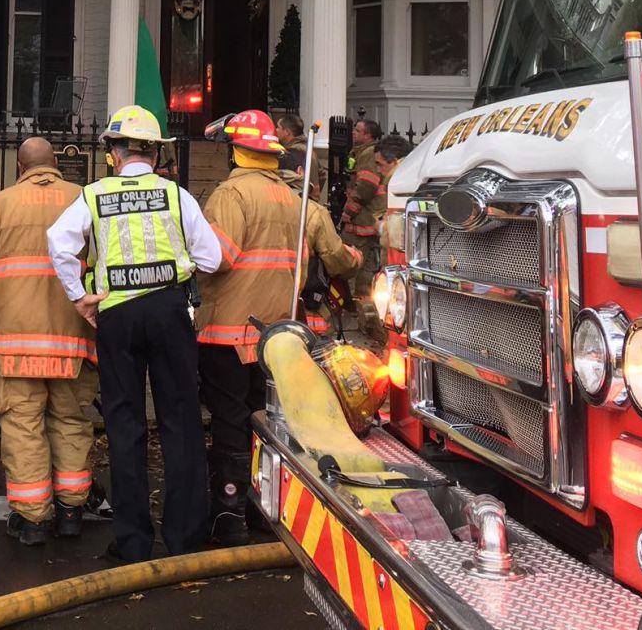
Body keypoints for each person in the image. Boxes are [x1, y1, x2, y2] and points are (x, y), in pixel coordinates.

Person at [47, 105, 223, 564]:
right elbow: (211, 259)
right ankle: (186, 539)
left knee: (125, 426)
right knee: (181, 423)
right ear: (155, 152)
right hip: (170, 312)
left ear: (113, 152)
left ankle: (131, 543)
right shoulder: (176, 194)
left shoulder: (94, 195)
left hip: (117, 316)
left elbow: (59, 242)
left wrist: (78, 296)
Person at [195, 110, 362, 545]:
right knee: (265, 419)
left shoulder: (230, 195)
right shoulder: (297, 202)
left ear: (236, 151)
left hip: (228, 332)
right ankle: (262, 508)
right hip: (278, 334)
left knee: (229, 421)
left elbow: (219, 258)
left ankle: (226, 514)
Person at [0, 138, 92, 546]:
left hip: (12, 342)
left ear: (20, 168)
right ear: (55, 165)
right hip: (73, 341)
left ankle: (32, 520)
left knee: (22, 426)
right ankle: (71, 512)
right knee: (71, 421)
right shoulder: (85, 200)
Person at [342, 130, 409, 344]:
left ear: (394, 161)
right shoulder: (405, 176)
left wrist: (382, 227)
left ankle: (386, 340)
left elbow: (400, 230)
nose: (378, 170)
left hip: (399, 261)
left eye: (380, 164)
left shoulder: (399, 180)